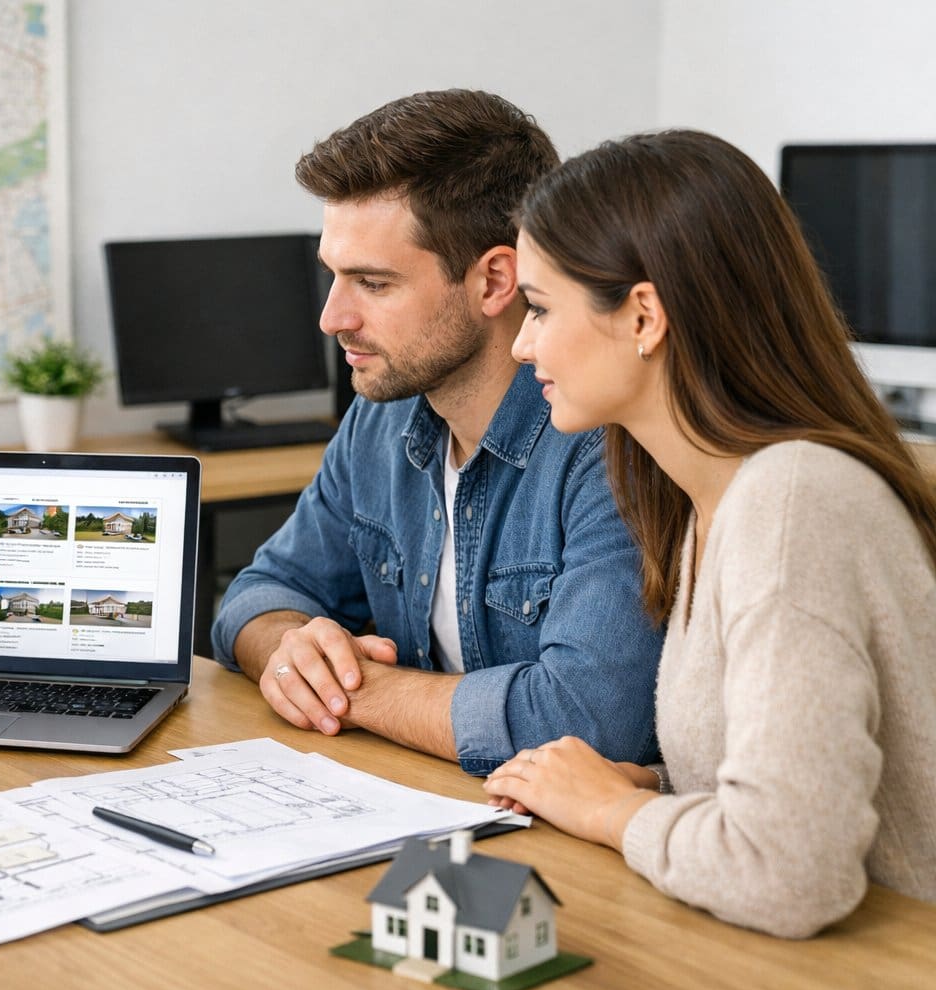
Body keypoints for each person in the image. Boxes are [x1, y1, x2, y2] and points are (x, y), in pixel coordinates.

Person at [486, 129, 936, 938]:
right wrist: (653, 790)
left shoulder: (791, 501)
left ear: (644, 316)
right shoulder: (702, 499)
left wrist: (612, 812)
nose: (522, 345)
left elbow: (790, 871)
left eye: (541, 309)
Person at [211, 90, 663, 775]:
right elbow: (257, 593)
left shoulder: (606, 443)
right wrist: (293, 648)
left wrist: (356, 693)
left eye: (372, 283)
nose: (333, 318)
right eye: (333, 276)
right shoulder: (381, 415)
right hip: (424, 802)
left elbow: (591, 720)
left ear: (494, 281)